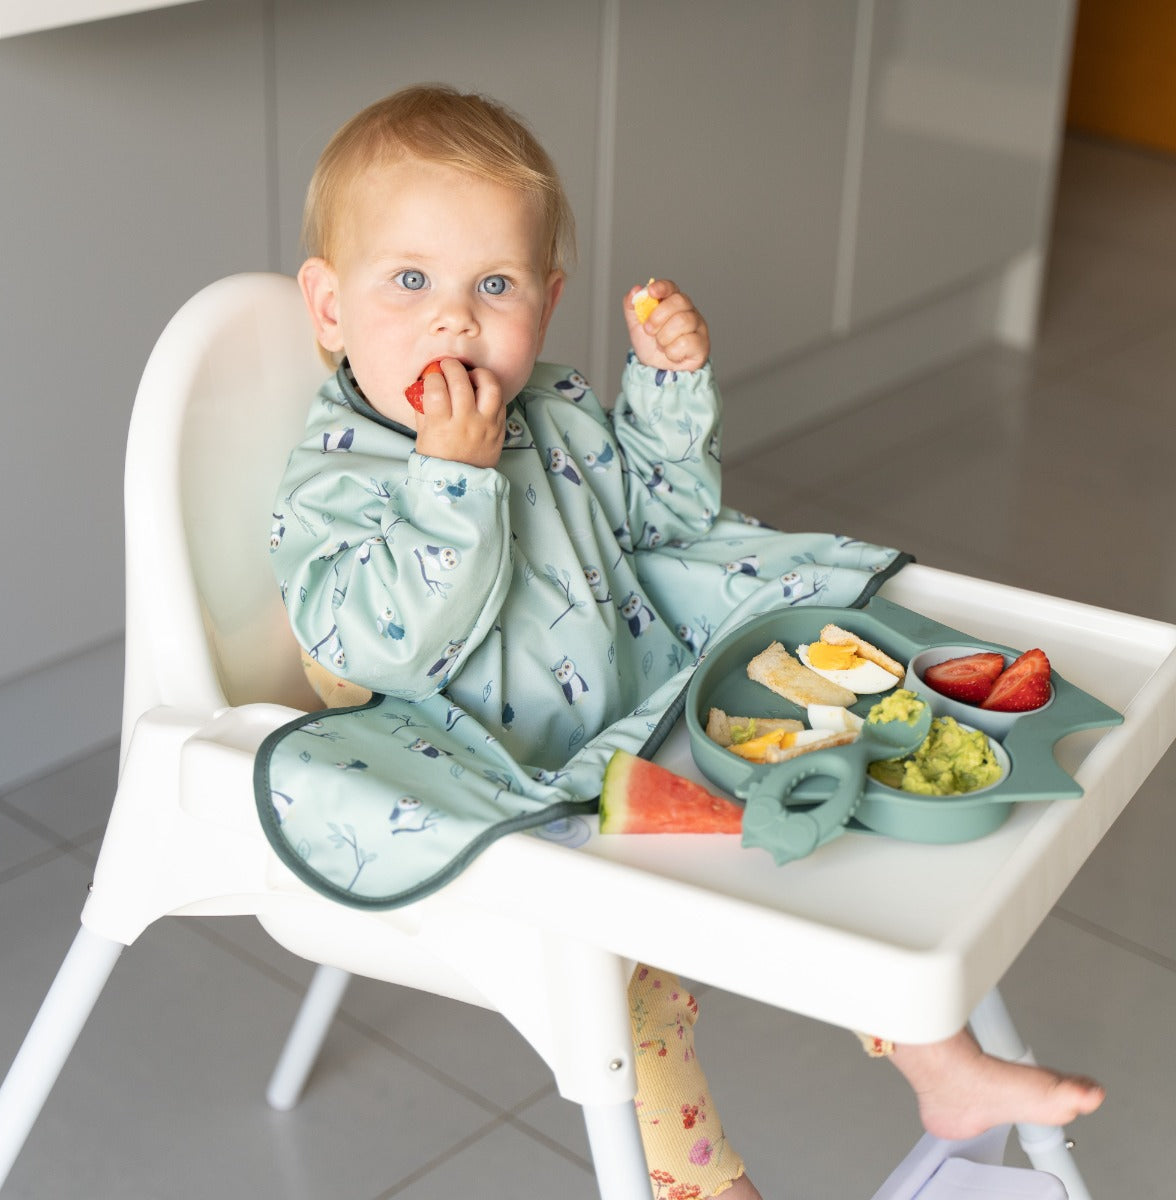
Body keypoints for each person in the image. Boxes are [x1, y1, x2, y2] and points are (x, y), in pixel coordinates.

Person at [266, 84, 1104, 1198]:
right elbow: (379, 645)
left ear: (548, 304)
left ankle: (945, 1066)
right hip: (502, 782)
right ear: (327, 307)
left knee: (829, 817)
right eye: (409, 281)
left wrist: (663, 387)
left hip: (640, 711)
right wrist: (450, 481)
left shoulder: (553, 407)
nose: (454, 319)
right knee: (637, 1001)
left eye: (495, 285)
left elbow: (662, 517)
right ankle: (711, 1190)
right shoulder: (335, 478)